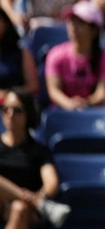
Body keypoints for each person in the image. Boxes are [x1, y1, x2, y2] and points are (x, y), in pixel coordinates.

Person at [0, 89, 71, 229]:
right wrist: (33, 200)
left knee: (19, 208)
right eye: (5, 109)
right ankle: (37, 204)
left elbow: (51, 184)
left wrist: (39, 196)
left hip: (26, 210)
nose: (10, 114)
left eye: (17, 110)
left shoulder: (38, 150)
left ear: (28, 113)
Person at [44, 0, 105, 110]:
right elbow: (54, 91)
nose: (73, 26)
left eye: (80, 23)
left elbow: (102, 93)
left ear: (94, 31)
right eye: (71, 21)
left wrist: (85, 104)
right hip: (62, 114)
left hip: (93, 115)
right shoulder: (55, 54)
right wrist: (69, 104)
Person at [0, 8, 38, 99]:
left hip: (15, 103)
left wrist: (8, 95)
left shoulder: (22, 52)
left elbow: (33, 86)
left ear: (5, 23)